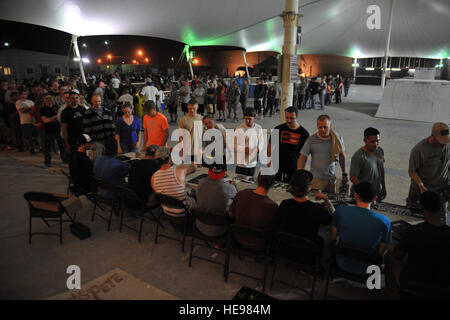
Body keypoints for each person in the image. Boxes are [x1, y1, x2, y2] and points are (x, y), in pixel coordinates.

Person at [387, 191, 450, 294]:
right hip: (442, 286)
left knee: (390, 256)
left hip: (412, 283)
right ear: (440, 208)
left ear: (422, 208)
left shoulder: (414, 231)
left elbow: (397, 255)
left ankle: (393, 293)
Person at [331, 182, 392, 275]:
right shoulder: (384, 221)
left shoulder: (341, 210)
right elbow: (381, 251)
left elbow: (333, 237)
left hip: (341, 262)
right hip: (368, 268)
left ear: (355, 195)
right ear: (375, 198)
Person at [277, 169, 334, 263]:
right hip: (307, 256)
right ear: (309, 188)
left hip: (284, 251)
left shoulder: (284, 204)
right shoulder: (317, 209)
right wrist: (326, 200)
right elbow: (333, 219)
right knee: (327, 235)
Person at [407, 122, 449, 224]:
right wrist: (421, 186)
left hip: (440, 189)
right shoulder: (419, 149)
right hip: (422, 191)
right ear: (433, 136)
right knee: (417, 219)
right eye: (441, 141)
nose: (443, 143)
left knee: (438, 220)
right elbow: (412, 171)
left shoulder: (447, 143)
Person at [297, 114, 348, 194]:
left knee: (329, 203)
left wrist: (344, 173)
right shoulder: (311, 140)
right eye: (320, 127)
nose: (322, 130)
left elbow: (342, 155)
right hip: (316, 180)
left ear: (330, 125)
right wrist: (300, 173)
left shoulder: (337, 138)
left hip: (331, 179)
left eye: (325, 127)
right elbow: (303, 157)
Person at [228, 174, 278, 251]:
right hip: (257, 246)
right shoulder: (273, 206)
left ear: (257, 180)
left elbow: (230, 214)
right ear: (273, 184)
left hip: (237, 239)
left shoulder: (241, 194)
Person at [151, 146, 197, 217]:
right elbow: (194, 168)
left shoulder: (153, 177)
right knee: (196, 197)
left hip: (167, 211)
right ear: (169, 157)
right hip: (183, 211)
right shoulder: (179, 170)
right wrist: (192, 158)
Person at [268, 106, 309, 182]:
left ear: (297, 117)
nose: (289, 120)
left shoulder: (304, 134)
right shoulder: (278, 129)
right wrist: (269, 160)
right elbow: (270, 145)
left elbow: (304, 155)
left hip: (293, 168)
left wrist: (301, 169)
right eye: (287, 118)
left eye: (292, 118)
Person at [196, 163, 237, 237]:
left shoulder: (201, 182)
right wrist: (233, 186)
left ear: (209, 171)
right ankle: (222, 244)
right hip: (219, 229)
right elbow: (237, 198)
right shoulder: (229, 187)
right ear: (224, 173)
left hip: (200, 224)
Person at [350, 127, 386, 201]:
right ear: (365, 141)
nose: (375, 144)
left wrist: (384, 187)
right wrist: (365, 192)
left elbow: (381, 170)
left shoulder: (380, 151)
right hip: (362, 196)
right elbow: (353, 177)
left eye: (377, 141)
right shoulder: (359, 156)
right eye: (372, 141)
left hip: (375, 193)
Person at [82, 94, 115, 159]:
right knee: (97, 159)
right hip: (96, 142)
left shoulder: (107, 111)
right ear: (92, 101)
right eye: (96, 101)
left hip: (108, 140)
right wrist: (90, 142)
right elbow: (86, 129)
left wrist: (113, 138)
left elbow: (112, 125)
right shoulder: (88, 113)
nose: (98, 103)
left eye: (99, 101)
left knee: (108, 159)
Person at [234, 107, 265, 177]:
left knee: (250, 181)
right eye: (246, 119)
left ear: (254, 117)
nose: (247, 121)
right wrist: (244, 149)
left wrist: (256, 149)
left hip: (252, 162)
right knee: (239, 181)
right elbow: (234, 145)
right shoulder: (239, 129)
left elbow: (261, 142)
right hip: (241, 163)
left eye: (249, 119)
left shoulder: (258, 128)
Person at [40, 93, 68, 167]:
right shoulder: (42, 109)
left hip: (58, 130)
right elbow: (45, 120)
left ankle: (65, 159)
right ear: (44, 100)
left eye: (50, 98)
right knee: (47, 148)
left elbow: (59, 118)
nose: (49, 100)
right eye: (47, 98)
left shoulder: (57, 107)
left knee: (62, 146)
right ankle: (47, 161)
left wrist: (50, 119)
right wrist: (55, 117)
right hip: (48, 131)